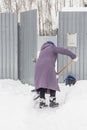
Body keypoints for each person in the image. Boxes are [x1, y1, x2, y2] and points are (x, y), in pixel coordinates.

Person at [34, 41, 76, 108]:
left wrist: (53, 72)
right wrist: (73, 56)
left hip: (38, 67)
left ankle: (42, 102)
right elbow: (64, 50)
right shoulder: (52, 48)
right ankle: (52, 101)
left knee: (42, 83)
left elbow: (46, 61)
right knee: (52, 83)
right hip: (47, 67)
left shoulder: (43, 50)